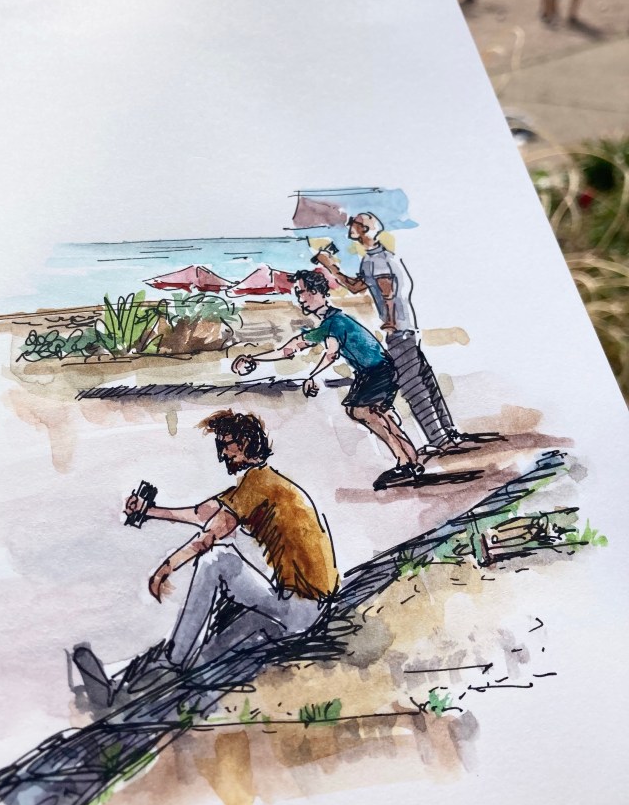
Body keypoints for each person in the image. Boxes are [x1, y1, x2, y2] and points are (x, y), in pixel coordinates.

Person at [72, 411, 339, 706]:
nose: (222, 454)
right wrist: (148, 511)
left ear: (245, 444)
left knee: (217, 561)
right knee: (203, 630)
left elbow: (211, 534)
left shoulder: (258, 486)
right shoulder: (261, 483)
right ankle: (117, 676)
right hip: (304, 607)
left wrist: (166, 568)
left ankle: (169, 662)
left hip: (300, 612)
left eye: (226, 445)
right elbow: (203, 512)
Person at [232, 270, 423, 485]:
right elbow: (290, 348)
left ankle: (405, 462)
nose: (299, 298)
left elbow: (331, 353)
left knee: (362, 411)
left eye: (301, 292)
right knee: (374, 413)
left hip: (377, 370)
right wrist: (254, 359)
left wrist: (312, 376)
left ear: (316, 292)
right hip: (374, 371)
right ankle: (409, 459)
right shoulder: (328, 323)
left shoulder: (335, 322)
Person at [315, 212, 463, 455]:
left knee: (412, 386)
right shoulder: (379, 257)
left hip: (400, 332)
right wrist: (330, 266)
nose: (349, 228)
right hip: (408, 329)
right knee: (425, 380)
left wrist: (391, 322)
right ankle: (448, 432)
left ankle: (439, 439)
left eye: (354, 224)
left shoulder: (377, 260)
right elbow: (355, 287)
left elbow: (387, 291)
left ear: (363, 229)